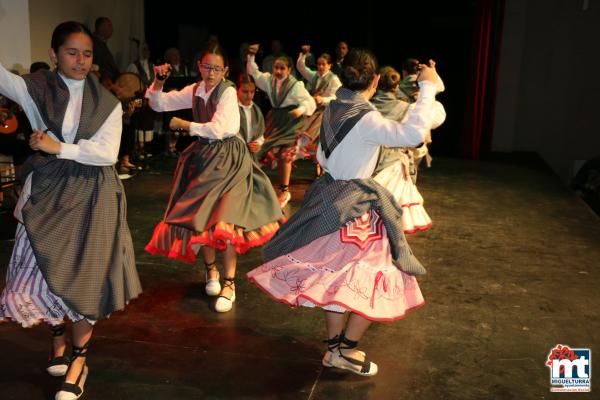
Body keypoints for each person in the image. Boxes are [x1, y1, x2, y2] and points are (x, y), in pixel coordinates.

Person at [247, 48, 441, 376]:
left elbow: (323, 158)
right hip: (358, 205)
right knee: (376, 278)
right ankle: (345, 350)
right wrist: (429, 88)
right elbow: (411, 134)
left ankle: (336, 349)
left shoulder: (336, 105)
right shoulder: (366, 117)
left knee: (336, 279)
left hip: (330, 196)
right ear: (375, 80)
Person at [0, 21, 142, 399]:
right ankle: (58, 340)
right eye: (72, 52)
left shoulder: (107, 101)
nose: (81, 61)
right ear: (53, 54)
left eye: (87, 54)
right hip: (47, 194)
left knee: (85, 277)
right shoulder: (35, 88)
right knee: (49, 272)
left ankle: (79, 361)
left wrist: (57, 147)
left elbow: (107, 154)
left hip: (93, 195)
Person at [145, 47, 284, 313]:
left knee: (226, 223)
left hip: (229, 159)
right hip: (204, 159)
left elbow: (223, 129)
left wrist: (187, 126)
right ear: (199, 66)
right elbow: (158, 103)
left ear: (225, 72)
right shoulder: (196, 89)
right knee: (202, 220)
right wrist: (158, 83)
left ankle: (230, 284)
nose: (211, 73)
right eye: (207, 67)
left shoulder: (228, 92)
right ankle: (211, 272)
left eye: (216, 69)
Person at [370, 65, 446, 232]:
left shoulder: (366, 107)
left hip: (367, 164)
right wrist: (428, 93)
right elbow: (437, 117)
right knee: (392, 214)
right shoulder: (407, 109)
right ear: (396, 86)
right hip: (393, 164)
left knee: (370, 212)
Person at [246, 44, 316, 207]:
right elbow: (253, 72)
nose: (277, 71)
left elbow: (309, 102)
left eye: (281, 68)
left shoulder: (295, 86)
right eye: (276, 67)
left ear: (289, 70)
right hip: (276, 119)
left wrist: (300, 110)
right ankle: (253, 187)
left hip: (291, 122)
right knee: (260, 150)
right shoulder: (269, 80)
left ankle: (284, 191)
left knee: (285, 154)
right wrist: (251, 56)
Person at [295, 49, 342, 176]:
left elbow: (336, 97)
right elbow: (300, 67)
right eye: (319, 64)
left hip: (326, 112)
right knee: (310, 137)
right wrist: (303, 54)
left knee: (318, 139)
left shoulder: (334, 79)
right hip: (313, 110)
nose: (320, 67)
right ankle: (316, 165)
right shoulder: (315, 75)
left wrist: (323, 99)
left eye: (323, 64)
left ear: (329, 65)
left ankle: (323, 168)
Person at [237, 74, 265, 162]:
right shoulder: (231, 108)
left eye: (252, 92)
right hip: (235, 153)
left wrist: (258, 144)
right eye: (245, 91)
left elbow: (260, 134)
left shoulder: (256, 110)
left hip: (251, 155)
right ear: (237, 90)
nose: (249, 95)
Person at [92, 17, 120, 82]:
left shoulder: (100, 43)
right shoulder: (95, 43)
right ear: (100, 28)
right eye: (109, 26)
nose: (112, 29)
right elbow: (96, 67)